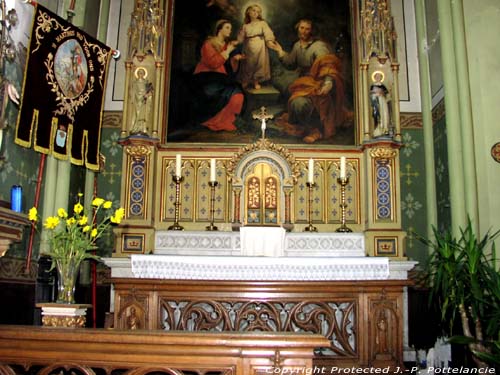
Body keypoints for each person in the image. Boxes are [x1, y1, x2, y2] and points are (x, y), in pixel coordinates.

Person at [269, 19, 351, 143]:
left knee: (301, 103)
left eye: (307, 29)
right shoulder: (297, 45)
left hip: (318, 81)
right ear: (298, 29)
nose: (304, 31)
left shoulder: (319, 46)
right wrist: (280, 51)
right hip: (303, 82)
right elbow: (290, 63)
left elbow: (327, 65)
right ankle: (304, 125)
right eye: (302, 28)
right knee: (287, 92)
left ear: (311, 31)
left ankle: (316, 129)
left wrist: (328, 82)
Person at [191, 19, 245, 132]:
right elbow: (213, 63)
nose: (230, 31)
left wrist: (235, 60)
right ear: (219, 29)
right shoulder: (208, 44)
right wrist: (228, 51)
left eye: (230, 28)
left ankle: (226, 121)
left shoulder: (226, 45)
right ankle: (214, 121)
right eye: (227, 28)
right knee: (228, 92)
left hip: (220, 78)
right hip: (205, 78)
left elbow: (230, 68)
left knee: (238, 93)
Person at [236, 4, 276, 90]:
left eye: (258, 12)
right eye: (254, 10)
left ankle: (256, 81)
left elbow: (268, 33)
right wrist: (235, 42)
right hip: (248, 46)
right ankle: (246, 80)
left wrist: (269, 41)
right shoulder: (245, 26)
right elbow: (240, 38)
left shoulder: (262, 23)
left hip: (260, 45)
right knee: (248, 64)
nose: (255, 13)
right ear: (248, 12)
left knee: (259, 64)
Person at [370, 71, 391, 138]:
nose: (378, 78)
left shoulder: (383, 86)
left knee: (384, 114)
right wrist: (375, 95)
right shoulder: (372, 86)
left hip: (383, 101)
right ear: (375, 77)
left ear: (381, 78)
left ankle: (385, 129)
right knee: (377, 115)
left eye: (379, 77)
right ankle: (377, 131)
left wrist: (382, 94)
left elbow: (388, 95)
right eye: (376, 76)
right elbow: (371, 95)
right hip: (376, 102)